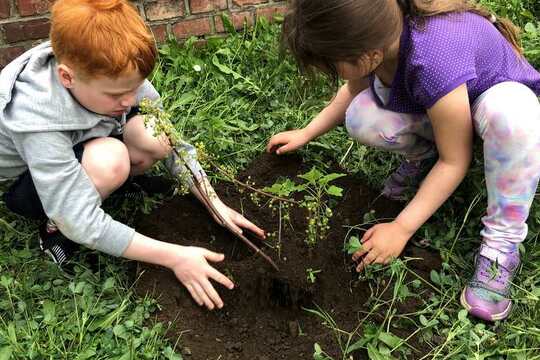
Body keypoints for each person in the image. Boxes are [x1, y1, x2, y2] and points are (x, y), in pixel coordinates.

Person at [267, 0, 540, 321]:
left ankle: (500, 244)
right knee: (361, 116)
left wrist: (400, 228)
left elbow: (455, 161)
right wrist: (306, 132)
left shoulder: (432, 57)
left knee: (512, 116)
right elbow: (352, 91)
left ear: (369, 55)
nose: (330, 69)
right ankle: (424, 158)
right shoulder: (380, 38)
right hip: (446, 109)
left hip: (495, 106)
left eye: (331, 62)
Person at [0, 0, 266, 311]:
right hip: (29, 183)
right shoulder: (37, 117)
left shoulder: (114, 68)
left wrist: (213, 200)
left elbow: (170, 139)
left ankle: (110, 182)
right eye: (116, 95)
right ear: (67, 77)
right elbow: (80, 221)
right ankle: (53, 231)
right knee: (111, 161)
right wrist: (175, 256)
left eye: (136, 87)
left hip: (84, 137)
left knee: (152, 135)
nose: (130, 100)